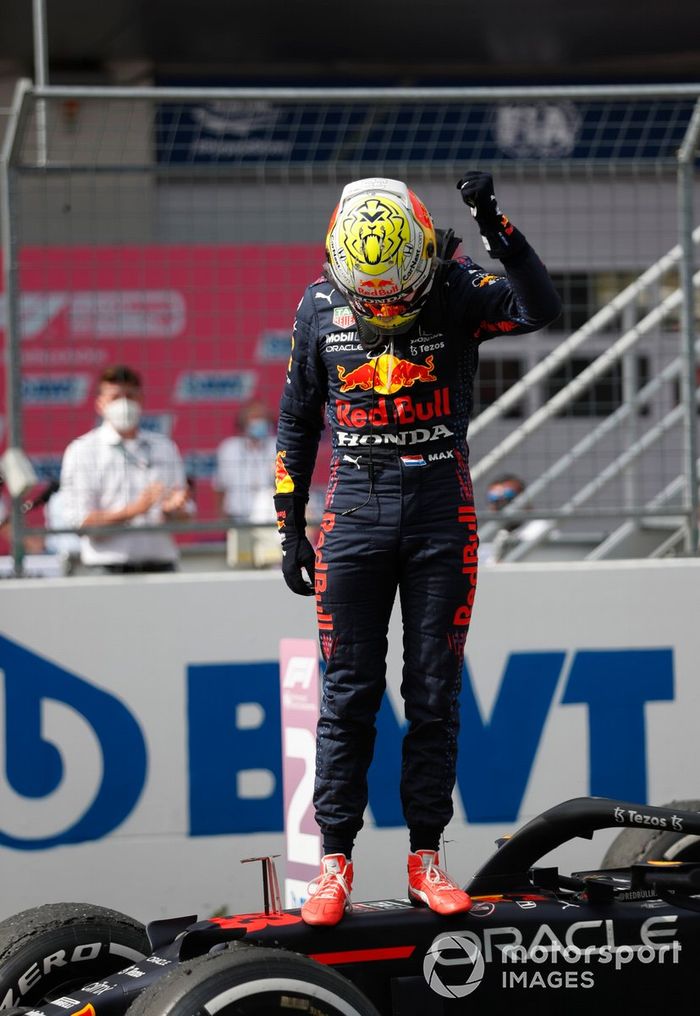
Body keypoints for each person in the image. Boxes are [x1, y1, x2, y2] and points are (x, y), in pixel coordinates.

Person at [273, 173, 561, 926]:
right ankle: (333, 865)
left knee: (433, 693)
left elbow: (540, 307)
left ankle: (426, 858)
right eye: (370, 299)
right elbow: (297, 419)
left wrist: (496, 224)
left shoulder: (457, 285)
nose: (385, 308)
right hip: (354, 513)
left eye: (397, 295)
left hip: (442, 509)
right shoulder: (316, 305)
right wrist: (286, 522)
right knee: (348, 694)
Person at [60, 364, 193, 573]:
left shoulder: (164, 447)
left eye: (130, 396)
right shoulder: (82, 451)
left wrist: (174, 511)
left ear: (141, 400)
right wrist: (135, 510)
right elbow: (80, 522)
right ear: (100, 404)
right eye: (115, 397)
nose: (124, 404)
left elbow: (185, 516)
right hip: (107, 567)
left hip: (161, 564)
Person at [213, 400, 277, 524]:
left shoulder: (278, 446)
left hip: (270, 518)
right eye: (254, 417)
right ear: (243, 422)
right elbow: (219, 487)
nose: (259, 421)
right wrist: (222, 519)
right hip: (236, 517)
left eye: (263, 417)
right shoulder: (229, 448)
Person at [482, 474, 551, 564]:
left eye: (509, 498)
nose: (502, 506)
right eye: (494, 500)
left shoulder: (540, 529)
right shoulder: (493, 536)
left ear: (526, 501)